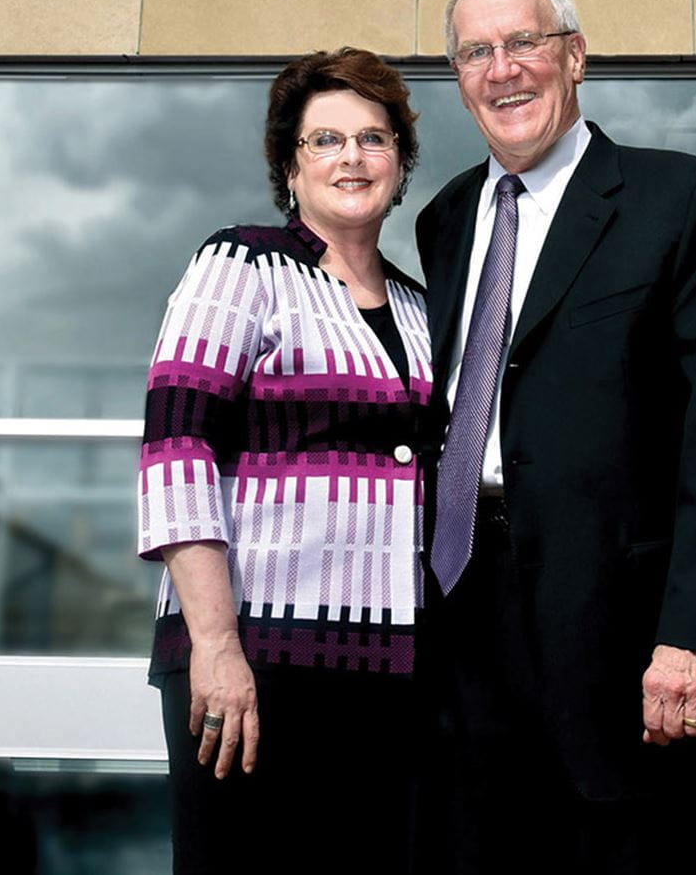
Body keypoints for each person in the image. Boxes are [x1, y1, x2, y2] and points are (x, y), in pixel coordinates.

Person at [416, 0, 696, 875]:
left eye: (523, 42)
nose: (501, 68)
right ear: (458, 79)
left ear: (574, 56)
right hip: (466, 628)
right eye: (475, 52)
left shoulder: (683, 201)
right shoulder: (447, 219)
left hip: (630, 648)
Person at [138, 49, 431, 875]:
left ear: (401, 164)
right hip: (259, 664)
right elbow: (176, 451)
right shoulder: (241, 264)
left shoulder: (422, 307)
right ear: (289, 166)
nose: (352, 158)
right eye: (325, 140)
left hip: (394, 676)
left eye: (374, 139)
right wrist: (217, 648)